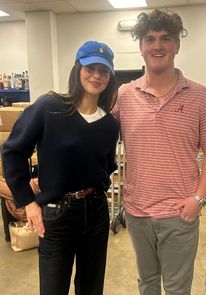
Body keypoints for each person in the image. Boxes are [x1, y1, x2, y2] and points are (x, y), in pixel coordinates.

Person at [112, 9, 206, 295]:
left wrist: (198, 199)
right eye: (150, 39)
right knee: (147, 283)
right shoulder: (125, 95)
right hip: (137, 212)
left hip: (179, 213)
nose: (157, 45)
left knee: (177, 288)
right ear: (140, 47)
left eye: (165, 38)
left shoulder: (199, 96)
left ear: (177, 44)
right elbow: (97, 133)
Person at [2, 40, 119, 295]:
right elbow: (12, 152)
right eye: (90, 68)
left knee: (91, 288)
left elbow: (108, 165)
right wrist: (29, 202)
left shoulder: (110, 124)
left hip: (97, 213)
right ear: (77, 70)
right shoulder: (50, 107)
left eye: (104, 70)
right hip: (56, 215)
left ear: (110, 76)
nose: (97, 75)